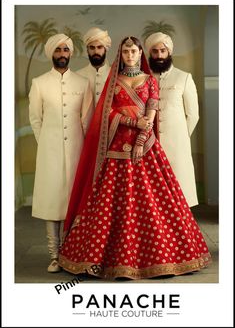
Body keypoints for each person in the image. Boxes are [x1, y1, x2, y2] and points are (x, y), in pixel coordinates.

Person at [58, 36, 211, 280]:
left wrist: (140, 141)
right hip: (116, 147)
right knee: (111, 203)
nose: (130, 55)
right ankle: (105, 259)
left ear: (141, 53)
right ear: (121, 54)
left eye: (134, 51)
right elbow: (106, 113)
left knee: (154, 201)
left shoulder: (150, 80)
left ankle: (160, 259)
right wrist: (130, 120)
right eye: (126, 51)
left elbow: (151, 113)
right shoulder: (114, 81)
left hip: (146, 147)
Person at [29, 33, 94, 273]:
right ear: (51, 54)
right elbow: (36, 120)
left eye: (66, 50)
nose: (62, 54)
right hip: (50, 152)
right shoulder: (39, 83)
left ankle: (71, 253)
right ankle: (55, 255)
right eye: (58, 51)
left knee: (74, 202)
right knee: (52, 202)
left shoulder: (81, 83)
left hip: (77, 151)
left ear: (70, 53)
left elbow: (87, 123)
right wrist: (47, 143)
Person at [145, 32, 199, 207]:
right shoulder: (143, 79)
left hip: (177, 145)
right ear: (149, 53)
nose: (159, 55)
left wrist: (181, 136)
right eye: (155, 51)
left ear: (169, 52)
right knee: (152, 195)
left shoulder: (184, 77)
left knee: (179, 191)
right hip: (149, 144)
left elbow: (193, 115)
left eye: (163, 51)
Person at [77, 27, 111, 105]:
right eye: (92, 48)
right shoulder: (78, 75)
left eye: (100, 47)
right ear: (87, 50)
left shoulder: (114, 74)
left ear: (105, 49)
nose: (96, 51)